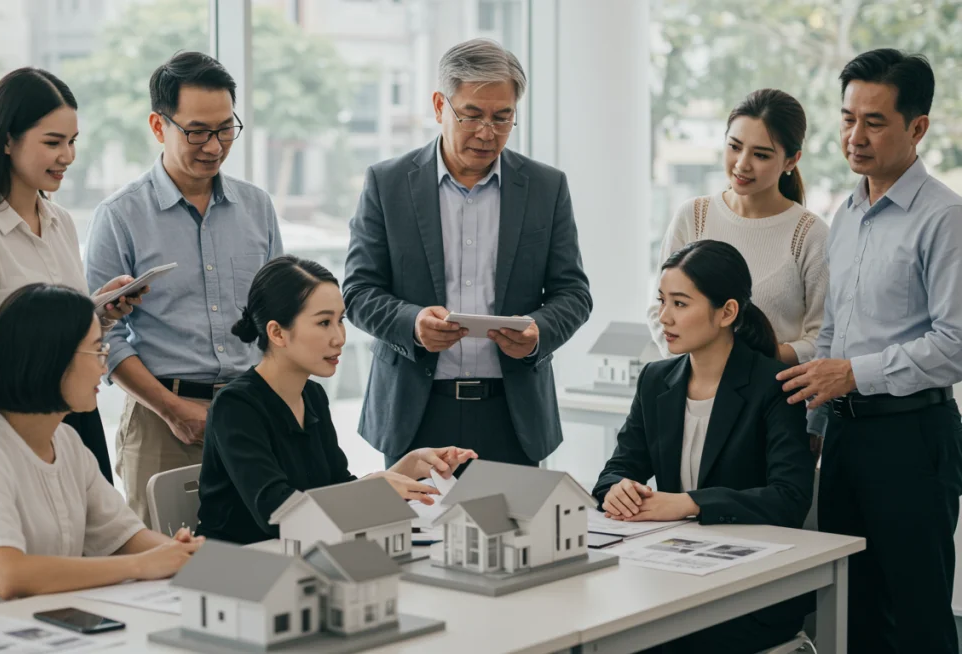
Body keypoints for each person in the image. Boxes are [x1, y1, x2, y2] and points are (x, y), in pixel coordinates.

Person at [778, 49, 962, 654]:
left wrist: (854, 375)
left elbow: (955, 344)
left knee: (918, 614)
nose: (855, 137)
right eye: (847, 118)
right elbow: (834, 329)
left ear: (917, 127)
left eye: (874, 122)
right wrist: (815, 419)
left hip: (914, 436)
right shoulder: (848, 212)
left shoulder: (945, 219)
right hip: (846, 438)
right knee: (850, 608)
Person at [343, 38, 591, 469]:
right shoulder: (388, 183)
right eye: (472, 115)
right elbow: (358, 291)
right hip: (415, 412)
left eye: (503, 117)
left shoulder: (545, 187)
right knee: (415, 536)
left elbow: (574, 294)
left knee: (516, 536)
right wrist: (413, 324)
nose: (487, 132)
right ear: (440, 105)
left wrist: (538, 332)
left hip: (512, 415)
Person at [85, 51, 283, 526]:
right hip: (161, 423)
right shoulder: (120, 216)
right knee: (165, 571)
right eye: (197, 131)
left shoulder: (257, 208)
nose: (214, 146)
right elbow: (101, 336)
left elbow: (279, 316)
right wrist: (173, 409)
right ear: (159, 125)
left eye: (225, 129)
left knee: (263, 552)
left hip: (252, 412)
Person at [595, 240, 814, 654]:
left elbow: (790, 498)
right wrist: (618, 488)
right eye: (662, 301)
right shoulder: (656, 380)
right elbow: (615, 471)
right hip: (671, 576)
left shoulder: (774, 384)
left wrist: (688, 503)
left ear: (727, 312)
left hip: (751, 593)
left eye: (680, 304)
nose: (663, 317)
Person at [0, 284, 203, 613]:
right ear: (52, 361)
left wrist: (185, 557)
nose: (104, 368)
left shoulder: (67, 443)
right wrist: (142, 565)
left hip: (55, 628)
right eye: (96, 351)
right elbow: (8, 575)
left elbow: (126, 537)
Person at [0, 67, 144, 480]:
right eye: (53, 142)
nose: (67, 156)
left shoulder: (60, 221)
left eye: (71, 142)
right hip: (0, 423)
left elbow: (56, 326)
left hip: (67, 409)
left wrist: (98, 311)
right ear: (8, 140)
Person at [198, 255, 477, 545]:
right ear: (277, 332)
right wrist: (372, 489)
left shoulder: (312, 396)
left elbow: (337, 490)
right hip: (238, 566)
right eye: (323, 323)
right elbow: (278, 516)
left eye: (340, 320)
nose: (339, 337)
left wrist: (409, 466)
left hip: (302, 556)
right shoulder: (236, 407)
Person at [647, 89, 829, 366]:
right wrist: (700, 368)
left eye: (761, 155)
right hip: (694, 393)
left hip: (774, 397)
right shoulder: (693, 216)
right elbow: (658, 310)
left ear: (791, 161)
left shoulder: (810, 234)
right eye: (734, 147)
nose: (742, 164)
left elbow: (823, 337)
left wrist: (748, 366)